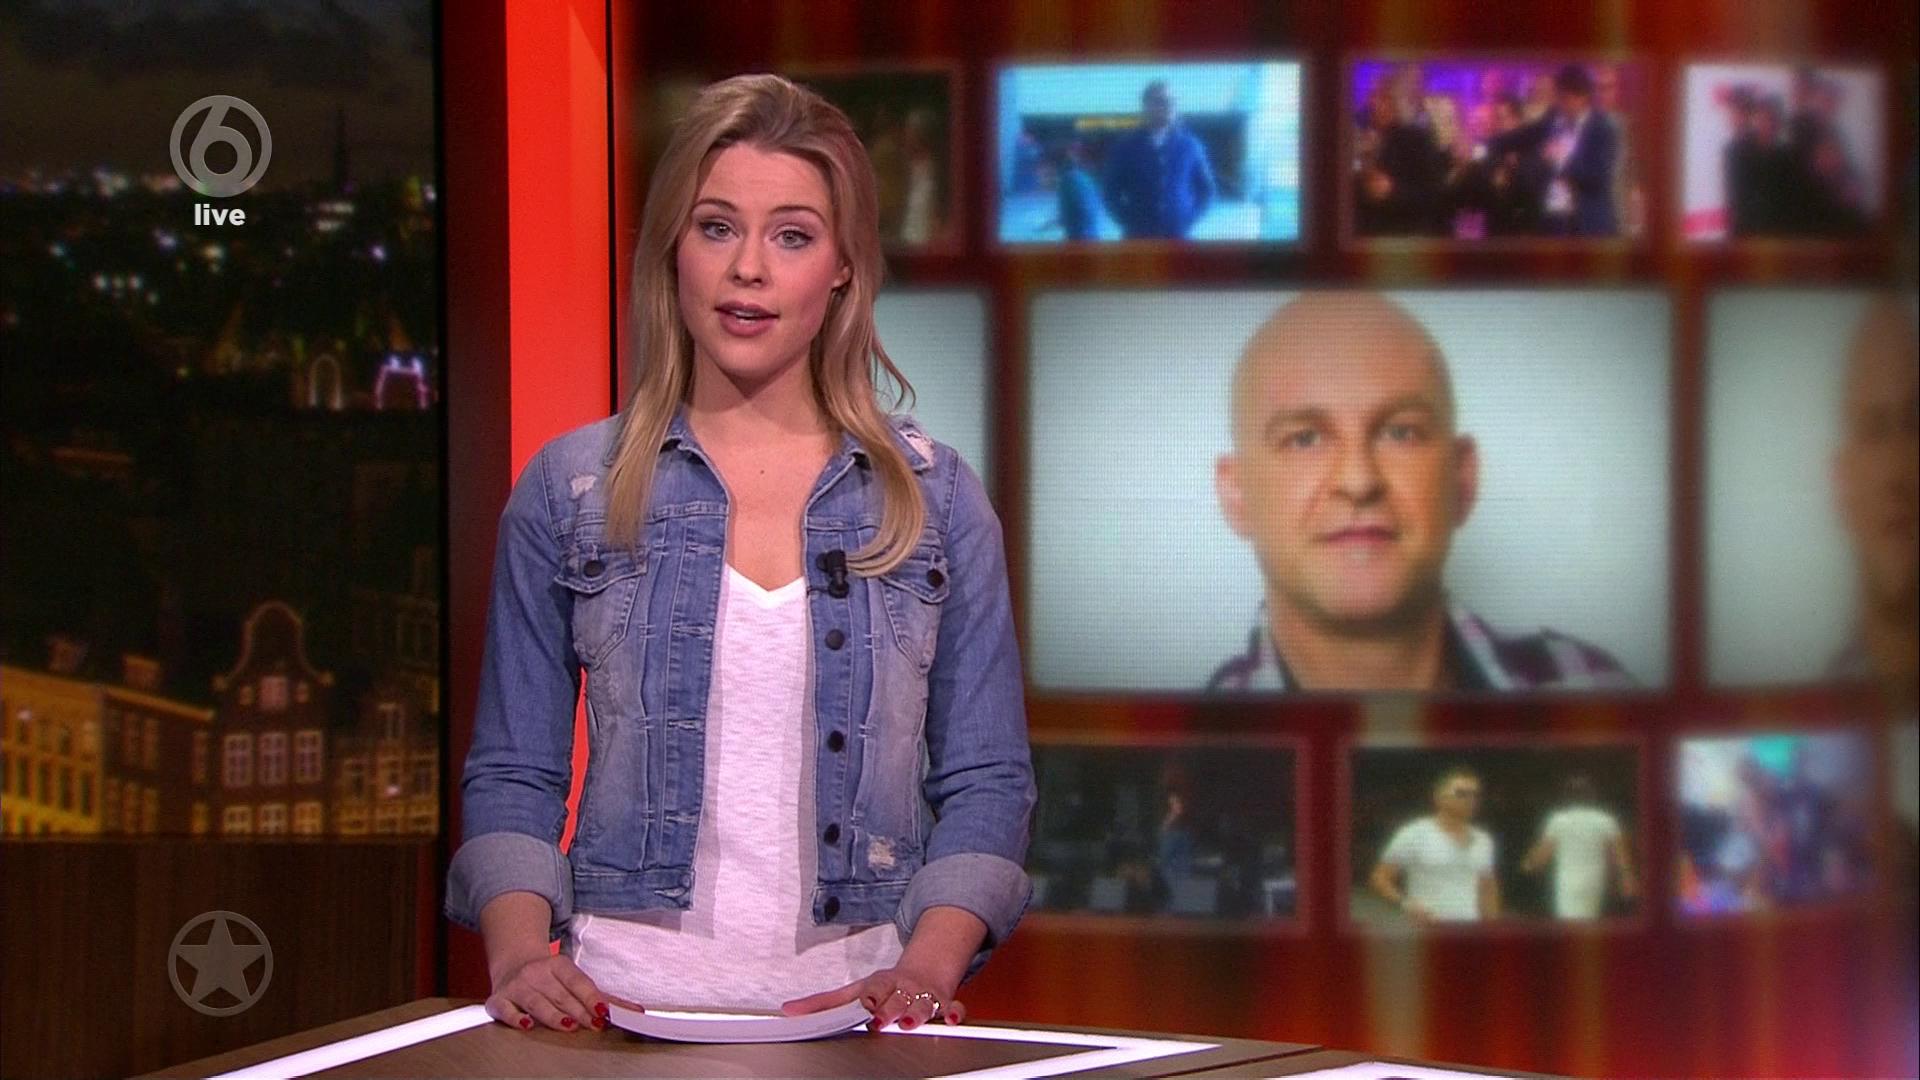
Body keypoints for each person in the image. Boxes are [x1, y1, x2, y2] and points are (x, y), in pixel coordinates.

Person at [444, 74, 1036, 1035]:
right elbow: (515, 769)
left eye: (792, 236)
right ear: (672, 249)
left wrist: (924, 972)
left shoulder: (934, 500)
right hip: (614, 1019)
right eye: (717, 227)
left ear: (842, 267)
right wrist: (518, 959)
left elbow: (986, 779)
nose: (748, 269)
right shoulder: (575, 487)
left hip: (857, 1025)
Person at [1206, 292, 1633, 692]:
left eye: (1401, 432)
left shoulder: (1597, 692)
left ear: (1462, 479)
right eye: (1304, 439)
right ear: (1236, 495)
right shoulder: (1189, 742)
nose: (1359, 481)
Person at [1829, 295, 1918, 699]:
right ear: (1842, 484)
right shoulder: (1810, 708)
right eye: (1873, 429)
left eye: (1916, 423)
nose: (1897, 469)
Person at [1489, 64, 1619, 237]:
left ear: (1582, 97)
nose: (1561, 104)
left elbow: (1598, 177)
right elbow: (1524, 136)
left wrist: (1562, 159)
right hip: (1552, 221)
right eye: (1559, 97)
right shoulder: (1554, 116)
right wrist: (1486, 145)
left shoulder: (1603, 128)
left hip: (1588, 224)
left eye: (1565, 98)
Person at [1369, 767, 1499, 924]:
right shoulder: (1414, 834)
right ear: (1439, 797)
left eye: (1475, 795)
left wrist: (1492, 928)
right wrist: (1406, 904)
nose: (1470, 800)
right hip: (1428, 927)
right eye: (1461, 794)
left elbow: (1487, 889)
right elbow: (1380, 878)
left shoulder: (1483, 840)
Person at [1101, 80, 1217, 240]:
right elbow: (1109, 191)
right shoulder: (1125, 146)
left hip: (1178, 237)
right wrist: (1128, 221)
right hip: (1138, 237)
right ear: (1146, 106)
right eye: (1161, 101)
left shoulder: (1191, 145)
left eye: (1172, 101)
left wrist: (1189, 218)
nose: (1169, 106)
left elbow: (1207, 189)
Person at [1521, 774, 1638, 920]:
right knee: (1591, 923)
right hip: (1595, 882)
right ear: (1592, 796)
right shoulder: (1606, 820)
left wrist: (1529, 864)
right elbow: (1620, 854)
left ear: (1566, 796)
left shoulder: (1558, 821)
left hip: (1568, 884)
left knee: (1570, 925)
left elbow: (1542, 856)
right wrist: (1627, 878)